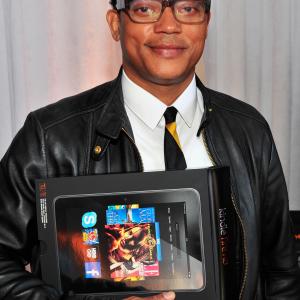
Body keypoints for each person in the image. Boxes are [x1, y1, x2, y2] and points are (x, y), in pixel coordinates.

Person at [0, 0, 299, 299]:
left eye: (188, 8)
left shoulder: (249, 131)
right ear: (116, 24)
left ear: (206, 23)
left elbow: (281, 275)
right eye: (145, 8)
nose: (169, 25)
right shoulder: (50, 137)